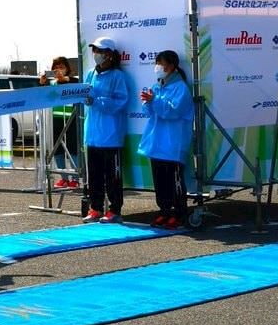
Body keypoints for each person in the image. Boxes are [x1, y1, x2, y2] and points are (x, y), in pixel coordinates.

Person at [139, 49, 194, 230]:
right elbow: (149, 112)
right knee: (160, 180)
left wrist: (154, 101)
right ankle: (164, 211)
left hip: (173, 142)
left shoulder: (181, 88)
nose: (158, 67)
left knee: (175, 179)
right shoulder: (157, 86)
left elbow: (173, 112)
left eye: (161, 63)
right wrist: (147, 102)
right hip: (156, 142)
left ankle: (179, 214)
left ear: (171, 66)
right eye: (157, 63)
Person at [81, 37, 131, 224]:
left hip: (111, 135)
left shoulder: (118, 76)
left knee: (112, 176)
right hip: (92, 134)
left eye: (100, 51)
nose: (96, 54)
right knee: (93, 175)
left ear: (109, 54)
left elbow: (121, 102)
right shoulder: (89, 73)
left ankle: (114, 210)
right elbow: (83, 95)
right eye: (94, 50)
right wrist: (84, 99)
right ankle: (95, 208)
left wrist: (98, 100)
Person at [41, 56, 81, 189]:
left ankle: (75, 179)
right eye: (56, 68)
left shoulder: (73, 81)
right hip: (56, 119)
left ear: (67, 69)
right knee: (57, 149)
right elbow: (41, 94)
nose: (58, 70)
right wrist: (42, 83)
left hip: (71, 118)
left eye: (61, 67)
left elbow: (77, 81)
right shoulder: (52, 83)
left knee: (73, 148)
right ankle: (64, 178)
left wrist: (65, 79)